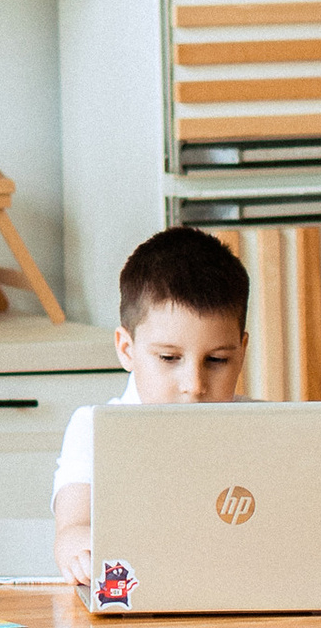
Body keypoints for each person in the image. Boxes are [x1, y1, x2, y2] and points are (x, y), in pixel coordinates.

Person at [51, 226, 250, 589]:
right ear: (126, 349)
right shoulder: (93, 427)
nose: (195, 385)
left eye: (218, 360)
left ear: (241, 351)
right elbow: (72, 529)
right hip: (137, 610)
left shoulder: (267, 428)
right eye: (169, 357)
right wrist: (81, 549)